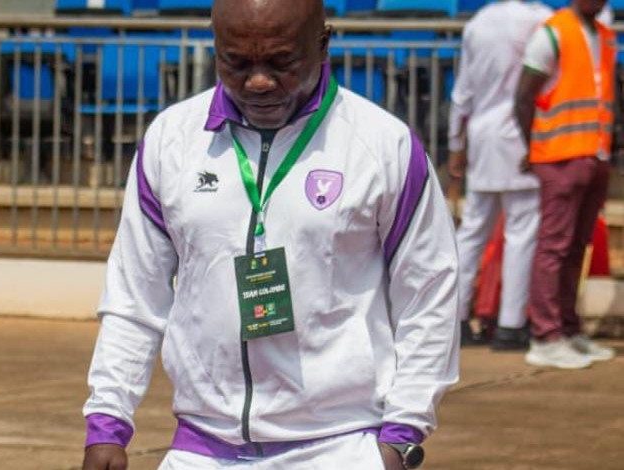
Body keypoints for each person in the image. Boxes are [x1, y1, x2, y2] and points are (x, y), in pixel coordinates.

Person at [81, 0, 460, 469]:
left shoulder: (383, 145)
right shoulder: (172, 139)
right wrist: (108, 419)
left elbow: (429, 292)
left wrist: (403, 432)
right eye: (236, 62)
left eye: (281, 62)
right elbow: (135, 294)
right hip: (203, 446)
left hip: (338, 446)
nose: (258, 82)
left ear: (323, 44)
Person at [515, 0, 617, 369]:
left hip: (594, 153)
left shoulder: (604, 35)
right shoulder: (553, 33)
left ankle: (569, 330)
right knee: (554, 247)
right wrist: (533, 148)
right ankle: (545, 335)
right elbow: (523, 97)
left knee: (576, 248)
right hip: (559, 157)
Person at [448, 0, 553, 350]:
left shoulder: (478, 22)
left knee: (472, 232)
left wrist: (456, 144)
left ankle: (456, 319)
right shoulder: (543, 19)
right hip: (522, 135)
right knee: (521, 233)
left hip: (482, 135)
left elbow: (462, 93)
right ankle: (510, 324)